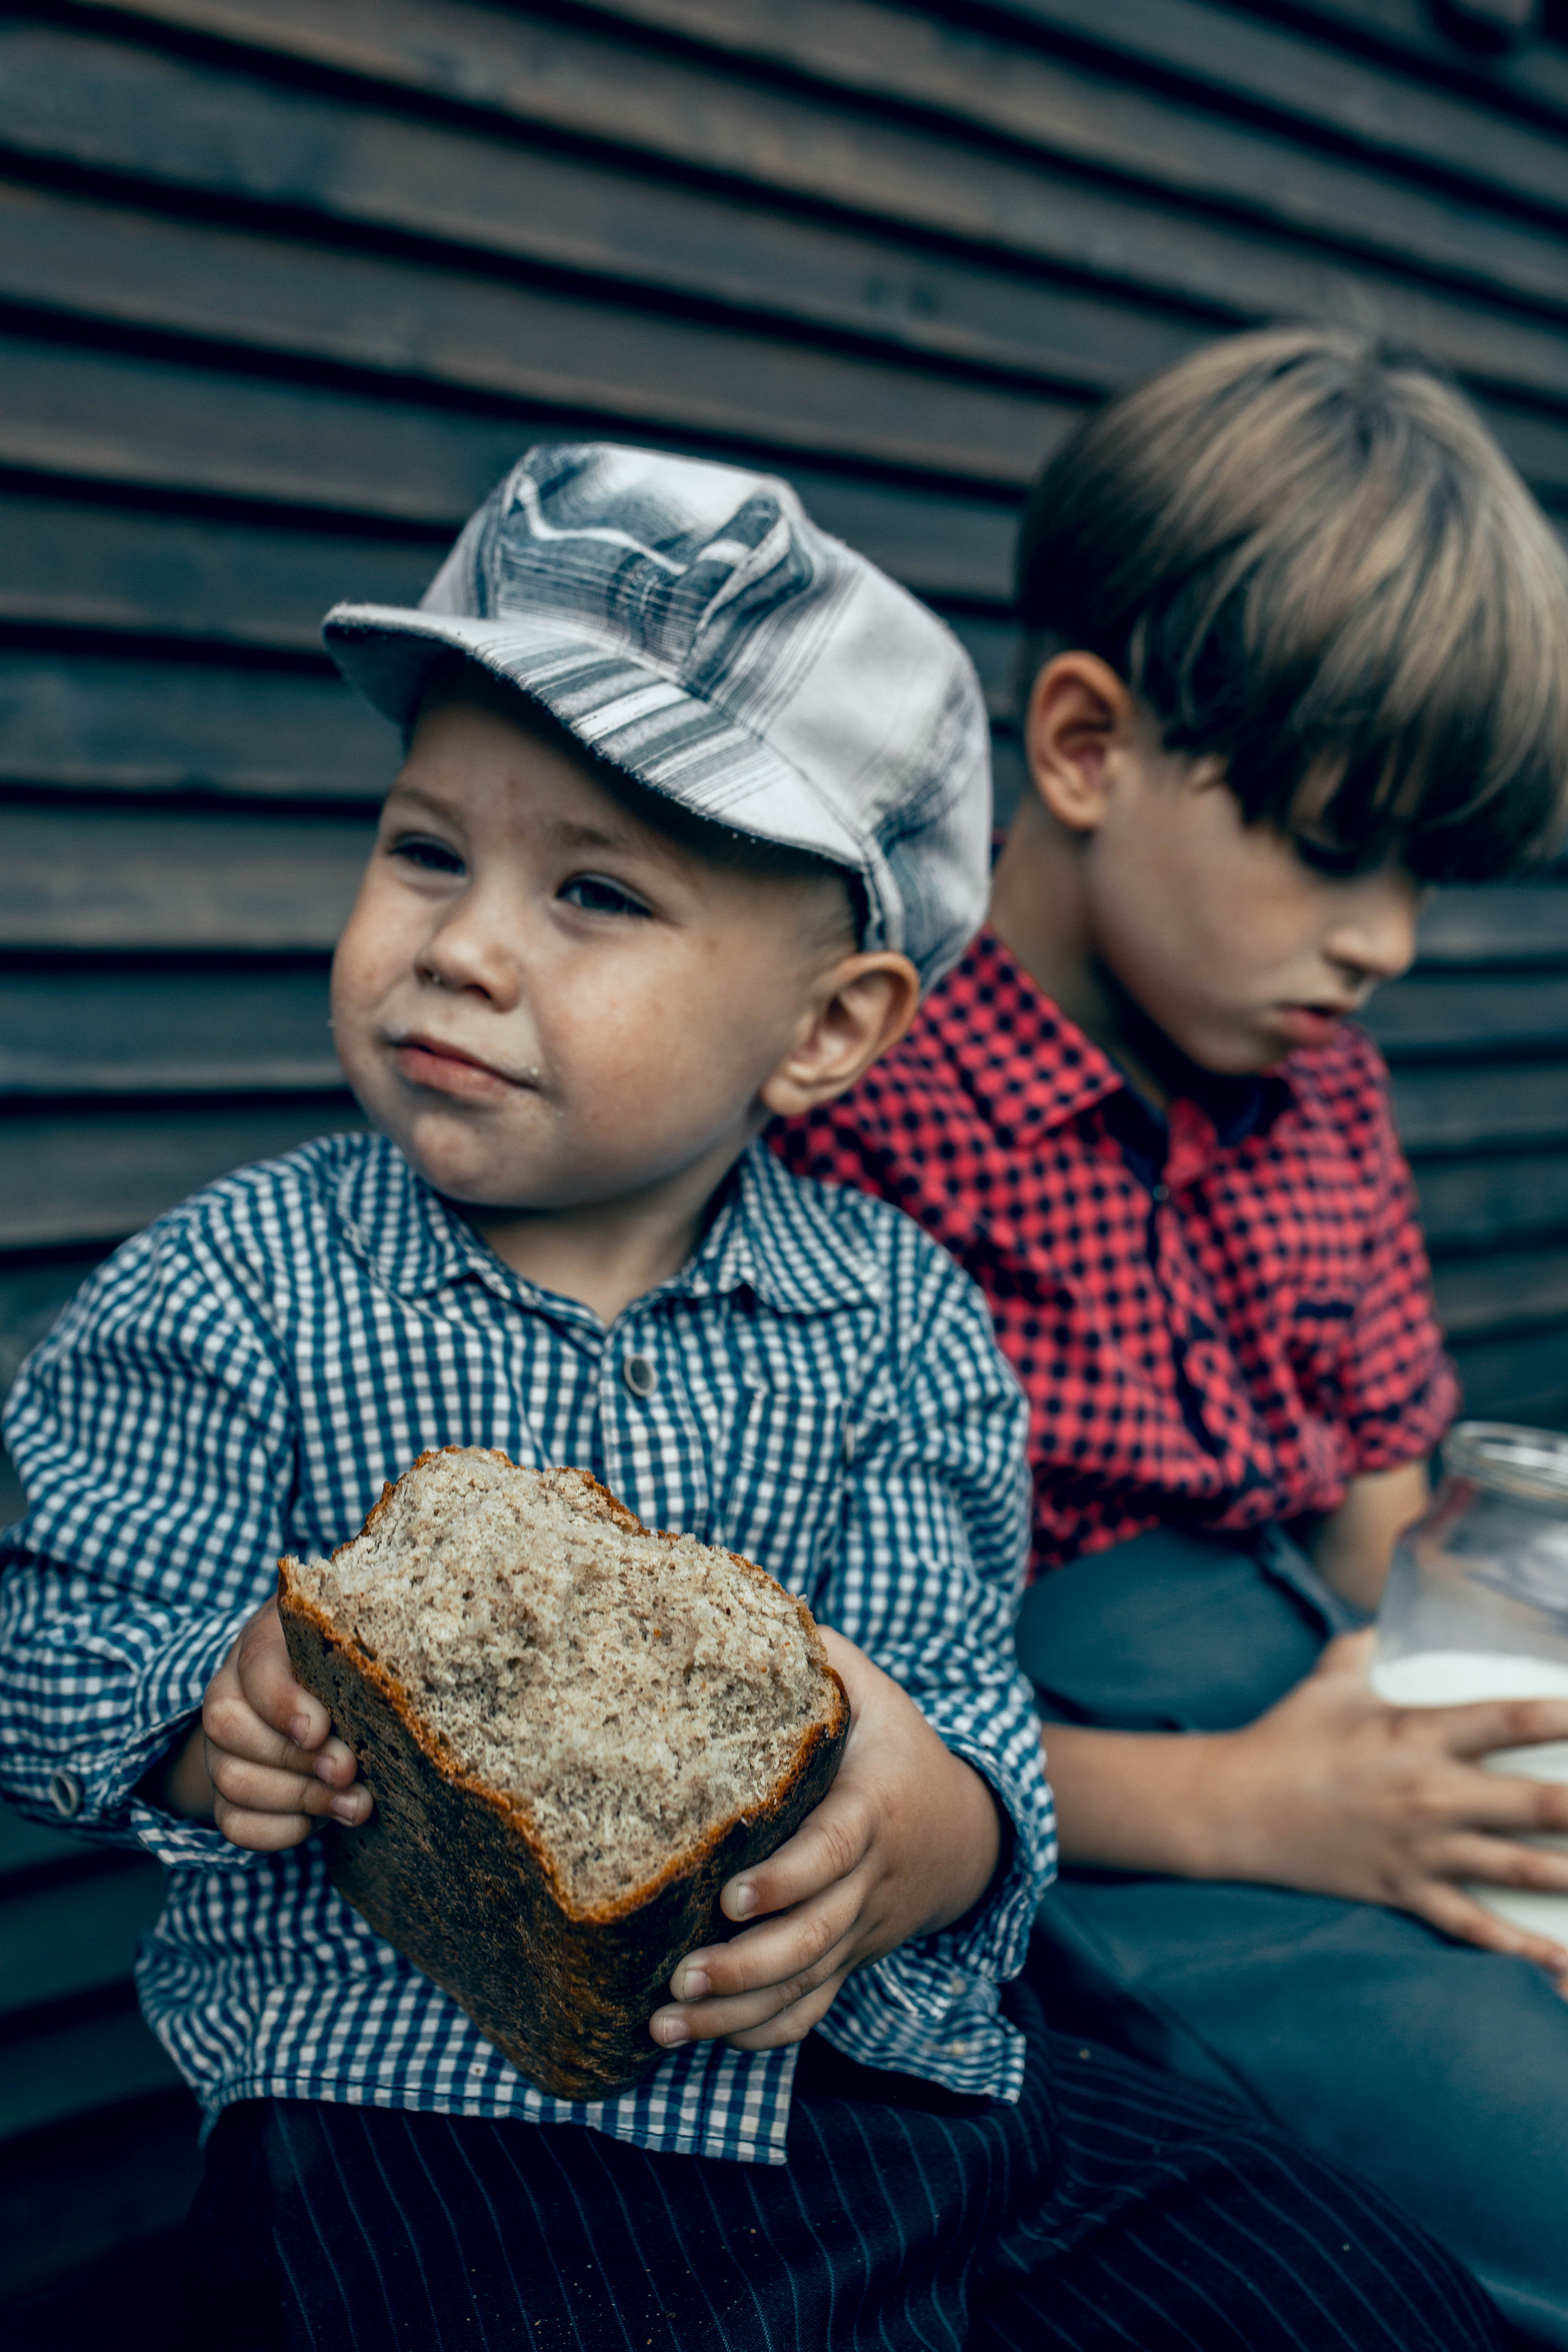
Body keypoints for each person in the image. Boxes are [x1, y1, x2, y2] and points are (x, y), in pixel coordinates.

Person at [0, 445, 1505, 2352]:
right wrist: (199, 1721)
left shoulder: (899, 1324)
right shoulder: (233, 1288)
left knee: (1350, 2289)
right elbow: (53, 1634)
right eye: (427, 850)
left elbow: (966, 1705)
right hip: (426, 2099)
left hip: (875, 2072)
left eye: (594, 892)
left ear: (828, 1029)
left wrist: (916, 1830)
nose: (461, 945)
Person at [777, 325, 1568, 2346]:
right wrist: (1253, 1813)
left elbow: (1384, 1532)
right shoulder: (853, 1100)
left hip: (1316, 1703)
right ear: (1083, 746)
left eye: (1426, 874)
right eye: (1336, 849)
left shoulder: (1321, 1085)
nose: (1386, 944)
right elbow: (797, 1697)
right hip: (1055, 1832)